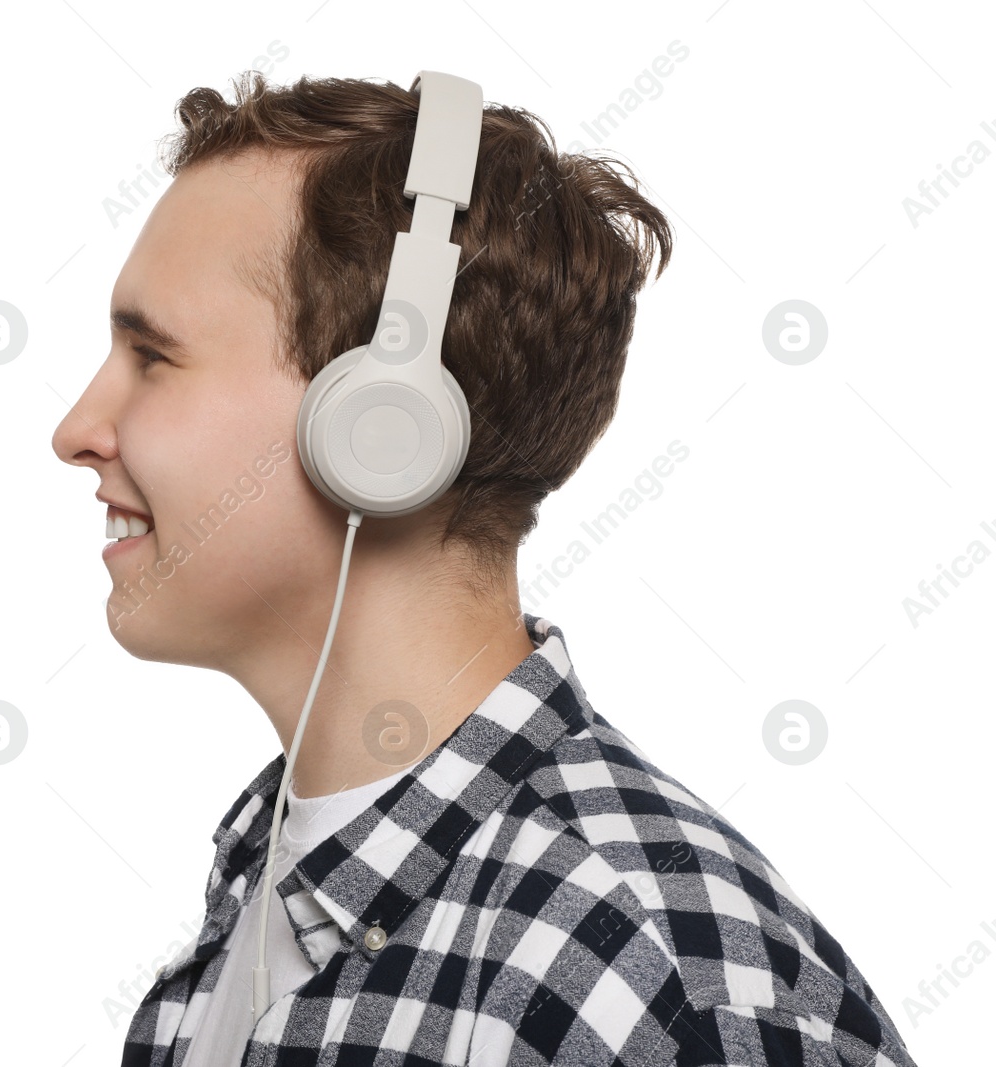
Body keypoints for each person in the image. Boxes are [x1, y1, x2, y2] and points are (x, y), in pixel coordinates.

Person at [51, 71, 916, 1067]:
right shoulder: (268, 884)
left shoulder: (658, 983)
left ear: (380, 424)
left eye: (153, 356)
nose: (74, 429)